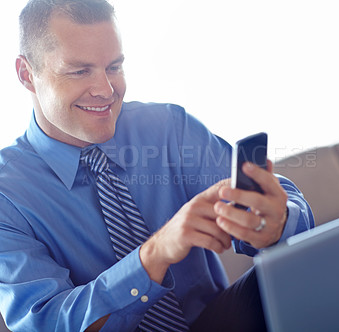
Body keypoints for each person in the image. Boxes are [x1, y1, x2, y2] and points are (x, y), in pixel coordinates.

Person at [0, 0, 314, 331]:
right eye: (80, 71)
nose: (106, 91)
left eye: (114, 67)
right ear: (27, 74)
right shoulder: (7, 195)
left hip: (217, 323)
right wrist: (155, 254)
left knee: (293, 275)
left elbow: (287, 206)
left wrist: (275, 219)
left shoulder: (166, 127)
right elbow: (48, 323)